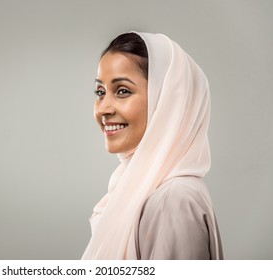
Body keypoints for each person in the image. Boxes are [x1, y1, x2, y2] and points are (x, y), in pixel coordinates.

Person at [82, 32, 224, 260]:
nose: (103, 109)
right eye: (101, 92)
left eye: (122, 91)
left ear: (167, 101)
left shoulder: (173, 200)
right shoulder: (141, 189)